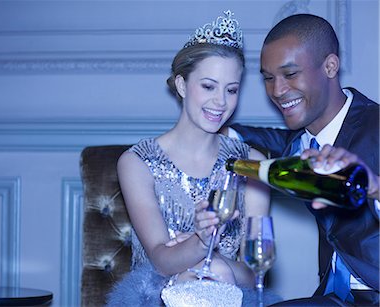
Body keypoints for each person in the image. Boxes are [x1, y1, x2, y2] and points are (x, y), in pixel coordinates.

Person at [106, 11, 272, 306]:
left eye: (231, 90)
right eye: (208, 86)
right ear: (182, 86)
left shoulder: (250, 164)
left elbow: (252, 274)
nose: (220, 101)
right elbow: (162, 261)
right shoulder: (138, 162)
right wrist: (202, 241)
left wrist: (216, 264)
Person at [222, 13, 379, 306]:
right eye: (268, 78)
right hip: (333, 298)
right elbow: (239, 135)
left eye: (290, 74)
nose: (277, 91)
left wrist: (373, 186)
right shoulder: (298, 145)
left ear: (330, 66)